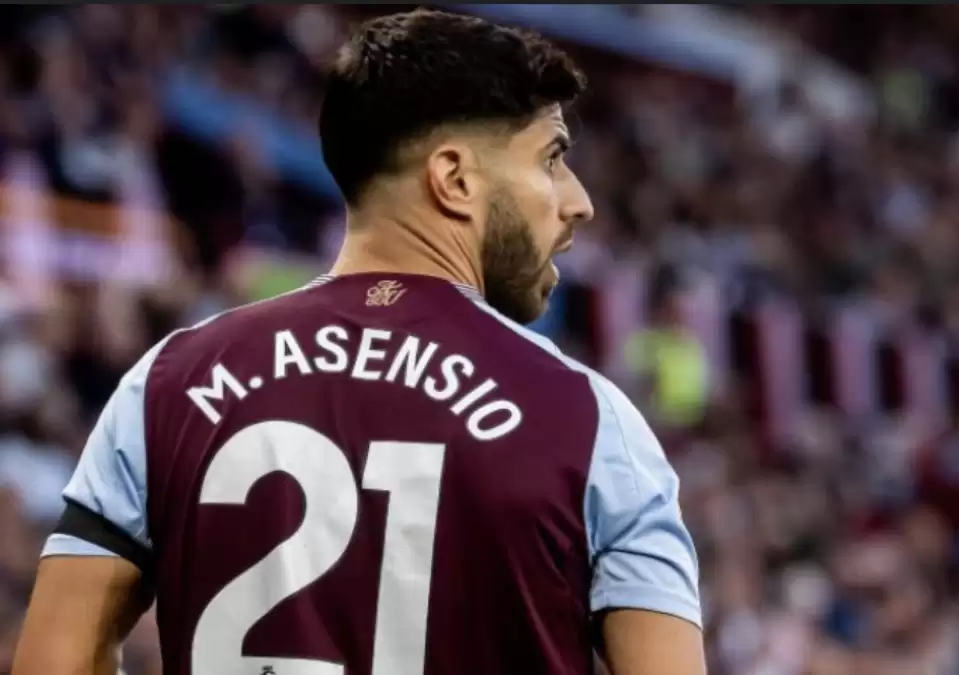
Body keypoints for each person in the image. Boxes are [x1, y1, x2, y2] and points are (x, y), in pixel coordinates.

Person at [13, 10, 705, 675]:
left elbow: (52, 661)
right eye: (551, 159)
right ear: (455, 179)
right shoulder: (587, 422)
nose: (579, 200)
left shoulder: (167, 384)